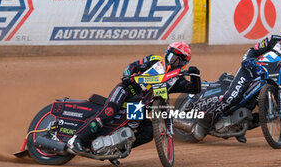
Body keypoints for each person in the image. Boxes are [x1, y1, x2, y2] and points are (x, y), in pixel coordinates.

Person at [194, 22, 281, 143]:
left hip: (268, 84)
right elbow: (253, 50)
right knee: (231, 97)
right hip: (250, 72)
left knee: (267, 113)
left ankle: (238, 126)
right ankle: (202, 123)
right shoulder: (273, 40)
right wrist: (246, 60)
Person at [68, 41, 201, 153]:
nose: (175, 61)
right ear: (167, 53)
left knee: (148, 132)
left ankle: (117, 149)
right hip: (126, 90)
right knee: (108, 112)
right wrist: (127, 75)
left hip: (140, 107)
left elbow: (195, 89)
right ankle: (77, 139)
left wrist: (196, 76)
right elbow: (133, 66)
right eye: (173, 57)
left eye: (179, 60)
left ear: (184, 64)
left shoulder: (177, 79)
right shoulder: (155, 60)